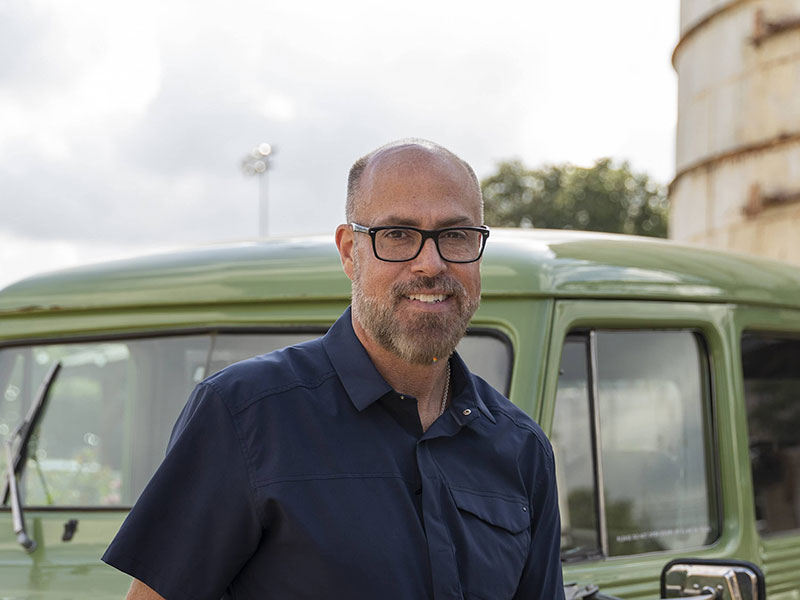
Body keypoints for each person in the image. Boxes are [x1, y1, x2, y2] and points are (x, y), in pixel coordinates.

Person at [102, 139, 565, 599]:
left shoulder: (521, 448)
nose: (431, 263)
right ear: (349, 251)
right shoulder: (245, 416)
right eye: (398, 234)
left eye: (456, 235)